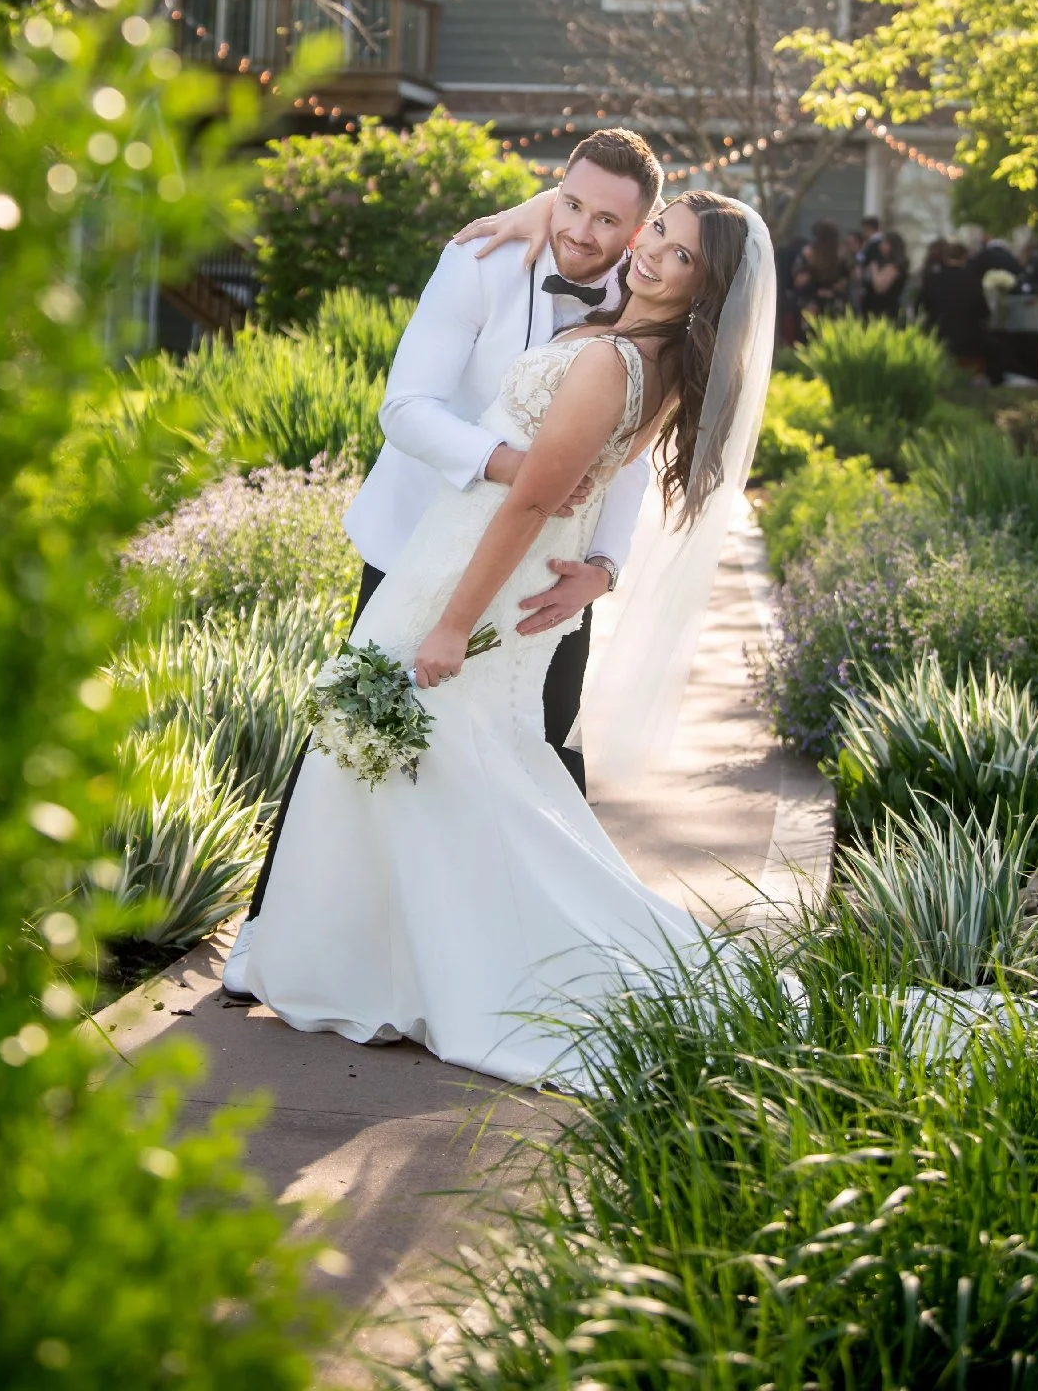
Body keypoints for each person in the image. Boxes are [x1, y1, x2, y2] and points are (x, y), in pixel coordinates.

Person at [243, 190, 776, 1086]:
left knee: (423, 754)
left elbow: (531, 499)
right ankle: (387, 958)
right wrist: (543, 205)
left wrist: (452, 623)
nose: (647, 254)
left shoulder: (614, 357)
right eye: (653, 233)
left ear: (704, 285)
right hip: (480, 560)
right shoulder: (656, 350)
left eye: (678, 255)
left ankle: (438, 968)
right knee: (438, 763)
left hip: (474, 574)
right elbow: (592, 201)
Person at [223, 130, 663, 999]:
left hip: (551, 571)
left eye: (609, 220)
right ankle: (277, 939)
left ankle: (547, 968)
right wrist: (515, 470)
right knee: (355, 738)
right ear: (555, 189)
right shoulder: (479, 260)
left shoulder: (648, 294)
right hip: (417, 548)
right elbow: (406, 409)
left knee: (541, 747)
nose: (581, 231)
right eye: (569, 203)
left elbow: (634, 451)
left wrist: (606, 565)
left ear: (643, 228)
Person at [918, 239, 987, 367]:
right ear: (964, 258)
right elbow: (984, 312)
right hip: (968, 341)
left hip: (938, 338)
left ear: (944, 258)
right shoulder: (972, 281)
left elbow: (921, 307)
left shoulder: (932, 280)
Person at [789, 218, 851, 335]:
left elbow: (799, 281)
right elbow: (844, 283)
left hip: (810, 304)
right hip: (834, 304)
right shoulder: (841, 256)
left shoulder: (808, 254)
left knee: (807, 339)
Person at [862, 228, 908, 321]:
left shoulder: (894, 266)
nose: (881, 246)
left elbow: (879, 287)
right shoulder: (883, 263)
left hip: (886, 312)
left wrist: (874, 269)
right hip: (871, 309)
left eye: (885, 243)